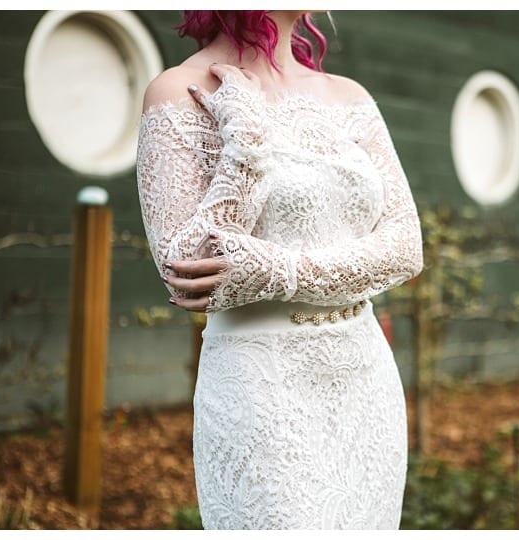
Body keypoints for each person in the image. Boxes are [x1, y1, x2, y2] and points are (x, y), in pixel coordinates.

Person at [135, 10, 423, 529]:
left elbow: (405, 246)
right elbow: (188, 268)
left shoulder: (349, 97)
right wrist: (246, 148)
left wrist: (281, 271)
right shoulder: (178, 93)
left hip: (366, 385)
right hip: (262, 389)